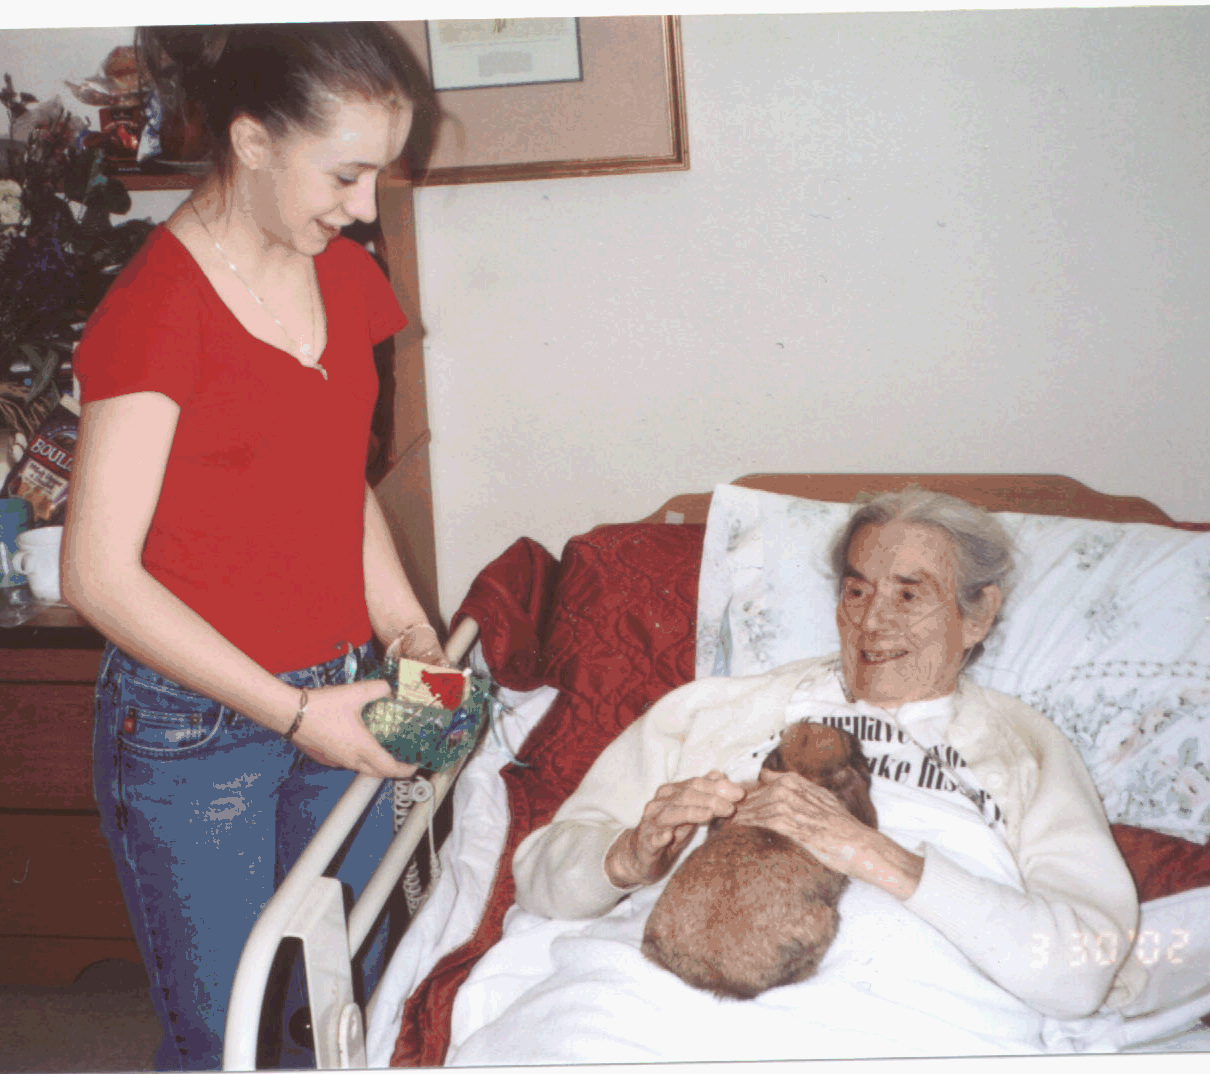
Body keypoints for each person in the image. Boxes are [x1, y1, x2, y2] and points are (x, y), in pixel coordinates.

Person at [62, 22, 438, 1071]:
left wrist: (405, 625)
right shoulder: (155, 312)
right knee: (230, 1035)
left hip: (340, 691)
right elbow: (94, 575)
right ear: (254, 139)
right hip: (199, 731)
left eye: (378, 177)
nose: (365, 208)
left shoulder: (346, 279)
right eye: (346, 174)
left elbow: (334, 485)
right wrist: (290, 713)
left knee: (341, 992)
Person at [502, 488, 1145, 1057]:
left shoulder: (1023, 745)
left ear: (977, 615)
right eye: (857, 590)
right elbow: (539, 875)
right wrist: (627, 856)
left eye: (909, 594)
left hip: (907, 1019)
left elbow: (1078, 968)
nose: (872, 621)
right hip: (650, 997)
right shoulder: (715, 707)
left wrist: (872, 853)